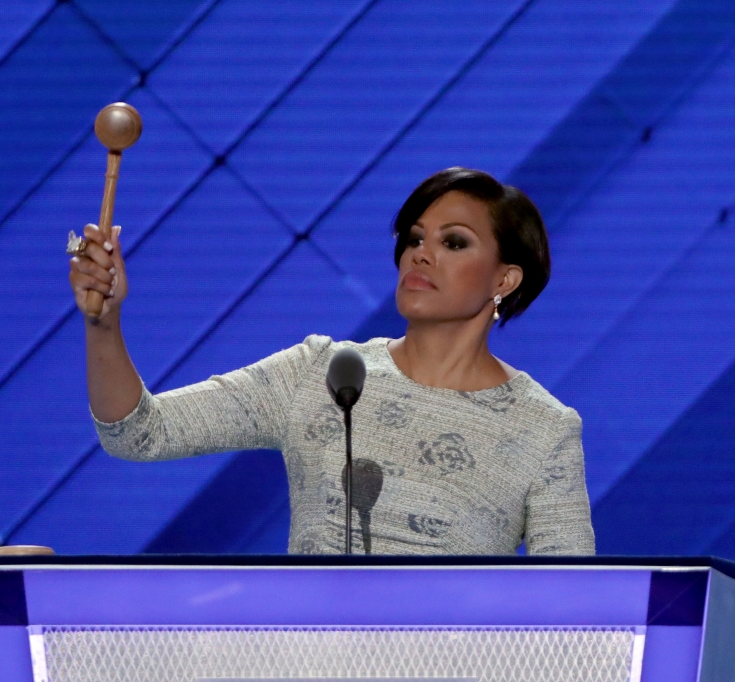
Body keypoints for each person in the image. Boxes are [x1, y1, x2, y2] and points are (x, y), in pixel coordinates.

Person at [68, 167, 594, 555]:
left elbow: (576, 613)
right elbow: (138, 433)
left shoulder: (544, 429)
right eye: (415, 238)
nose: (421, 253)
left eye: (453, 242)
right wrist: (103, 324)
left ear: (505, 279)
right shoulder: (320, 372)